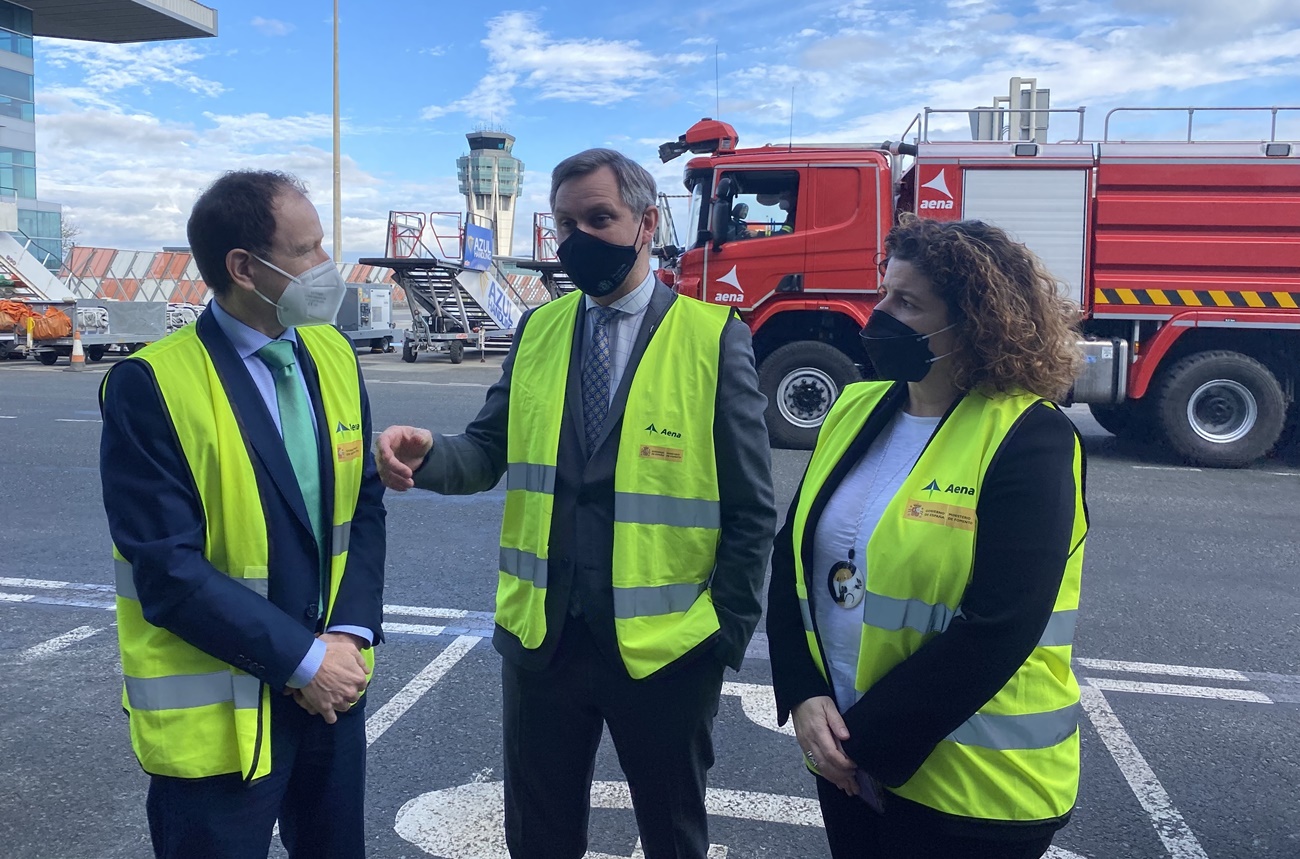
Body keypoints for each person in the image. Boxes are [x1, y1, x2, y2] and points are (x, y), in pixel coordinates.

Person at [375, 148, 776, 859]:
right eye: (565, 223)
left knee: (673, 833)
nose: (577, 239)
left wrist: (723, 636)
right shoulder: (540, 330)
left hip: (666, 654)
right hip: (544, 645)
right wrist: (429, 454)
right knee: (539, 833)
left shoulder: (715, 338)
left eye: (598, 218)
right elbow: (485, 451)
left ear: (647, 223)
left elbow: (751, 510)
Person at [766, 214, 1088, 859]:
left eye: (905, 302)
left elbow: (999, 625)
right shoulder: (858, 406)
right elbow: (792, 556)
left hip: (978, 787)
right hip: (848, 761)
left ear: (971, 324)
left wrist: (862, 746)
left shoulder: (1033, 437)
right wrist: (801, 693)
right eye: (883, 292)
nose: (877, 314)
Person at [99, 170, 386, 859]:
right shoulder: (152, 384)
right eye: (307, 249)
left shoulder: (332, 352)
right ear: (243, 268)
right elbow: (168, 570)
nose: (327, 267)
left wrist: (346, 636)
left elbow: (363, 502)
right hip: (220, 726)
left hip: (333, 698)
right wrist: (304, 659)